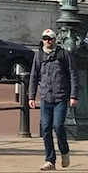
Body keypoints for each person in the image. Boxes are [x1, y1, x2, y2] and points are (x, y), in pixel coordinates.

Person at [28, 28, 78, 170]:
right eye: (45, 39)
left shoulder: (63, 55)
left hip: (61, 97)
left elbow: (73, 75)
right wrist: (31, 96)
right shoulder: (39, 56)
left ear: (55, 40)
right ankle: (50, 160)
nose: (47, 41)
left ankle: (64, 151)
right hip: (46, 97)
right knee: (45, 128)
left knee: (58, 125)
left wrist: (73, 95)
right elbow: (34, 77)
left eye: (50, 39)